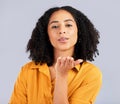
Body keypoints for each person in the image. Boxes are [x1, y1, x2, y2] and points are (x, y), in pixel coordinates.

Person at [9, 6, 102, 104]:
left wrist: (61, 76)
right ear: (46, 34)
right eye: (55, 26)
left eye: (68, 25)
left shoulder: (90, 74)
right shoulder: (28, 70)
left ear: (80, 31)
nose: (62, 31)